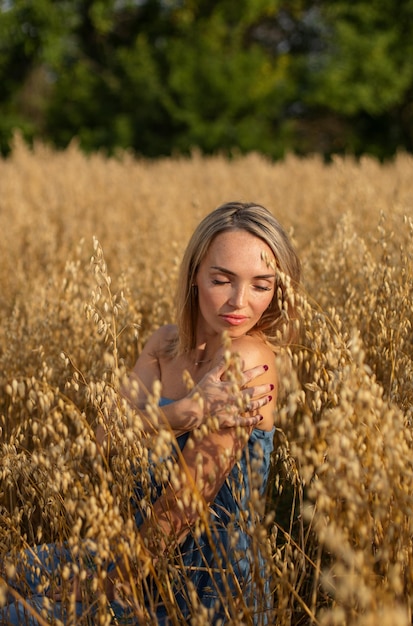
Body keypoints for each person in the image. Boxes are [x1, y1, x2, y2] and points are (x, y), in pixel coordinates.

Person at [1, 201, 301, 625]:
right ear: (195, 274)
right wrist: (182, 412)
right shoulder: (163, 345)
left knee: (19, 617)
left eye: (261, 285)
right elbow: (104, 442)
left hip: (206, 585)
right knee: (8, 574)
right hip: (131, 550)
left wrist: (109, 586)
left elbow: (187, 503)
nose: (239, 301)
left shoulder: (249, 358)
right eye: (222, 279)